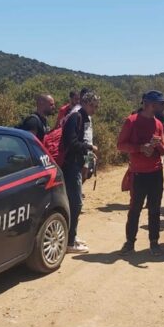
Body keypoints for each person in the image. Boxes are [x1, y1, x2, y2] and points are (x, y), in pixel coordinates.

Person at [117, 90, 164, 256]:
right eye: (161, 103)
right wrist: (140, 148)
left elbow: (163, 151)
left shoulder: (158, 124)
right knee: (135, 209)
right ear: (150, 104)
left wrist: (158, 144)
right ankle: (130, 242)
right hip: (138, 173)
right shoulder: (131, 121)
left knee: (155, 209)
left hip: (156, 173)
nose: (163, 106)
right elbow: (120, 145)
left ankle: (154, 242)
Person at [61, 91, 99, 254]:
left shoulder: (83, 117)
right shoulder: (76, 116)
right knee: (75, 204)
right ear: (84, 103)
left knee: (73, 203)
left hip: (76, 164)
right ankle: (69, 242)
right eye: (93, 106)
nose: (94, 109)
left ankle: (71, 236)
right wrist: (89, 148)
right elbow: (71, 142)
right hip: (70, 165)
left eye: (96, 106)